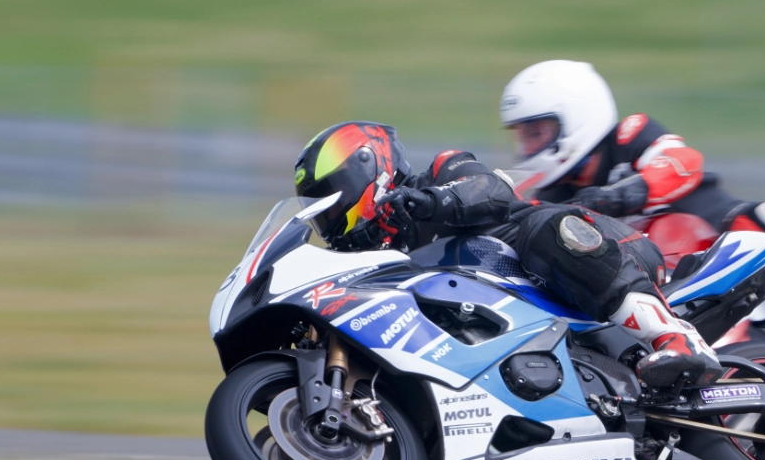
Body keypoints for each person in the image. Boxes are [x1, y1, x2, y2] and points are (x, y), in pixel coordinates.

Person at [495, 60, 765, 370]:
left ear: (576, 115)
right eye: (523, 136)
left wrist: (624, 194)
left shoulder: (630, 134)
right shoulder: (550, 194)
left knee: (761, 216)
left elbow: (683, 161)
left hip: (726, 246)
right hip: (666, 278)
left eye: (538, 133)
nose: (529, 146)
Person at [291, 120, 722, 388]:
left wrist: (433, 201)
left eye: (332, 196)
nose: (328, 214)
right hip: (537, 333)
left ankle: (675, 337)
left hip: (598, 255)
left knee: (545, 227)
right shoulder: (382, 257)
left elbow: (491, 191)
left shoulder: (442, 172)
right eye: (318, 206)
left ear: (369, 168)